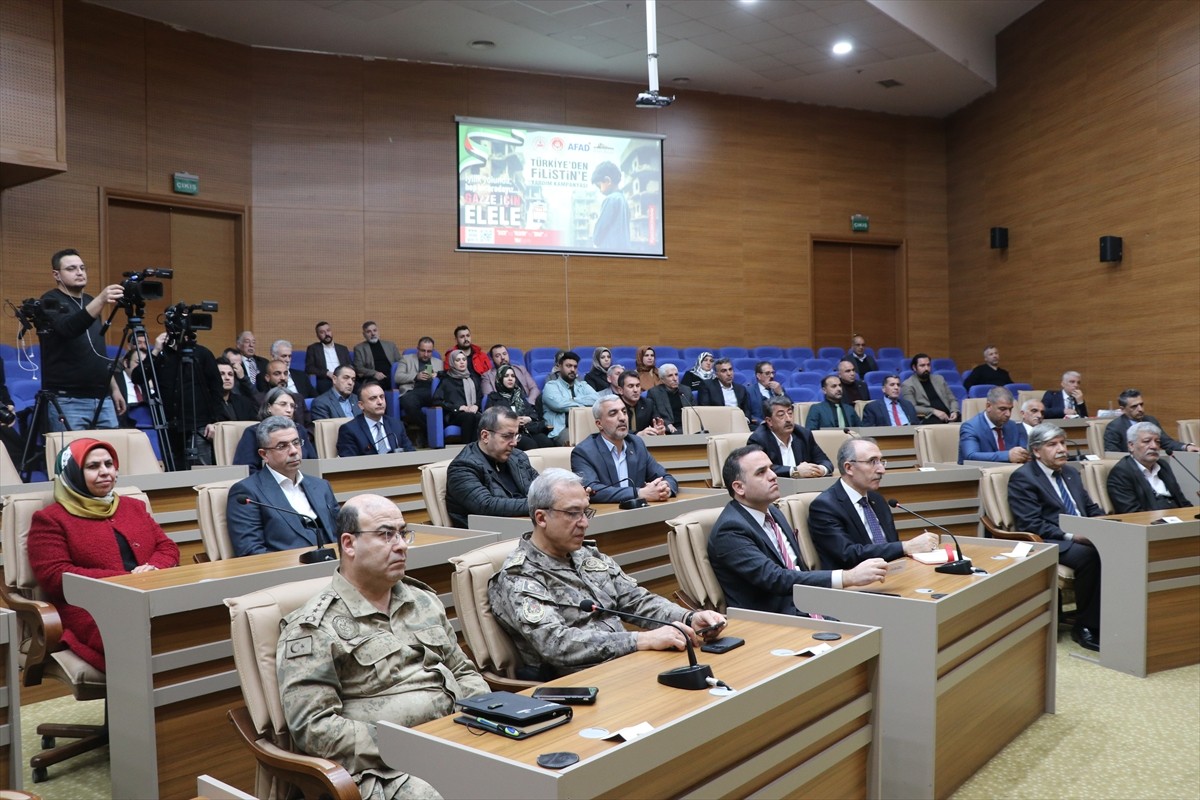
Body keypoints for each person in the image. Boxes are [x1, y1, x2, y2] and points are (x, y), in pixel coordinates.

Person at [278, 493, 488, 800]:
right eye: (386, 535)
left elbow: (463, 671)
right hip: (383, 769)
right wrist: (410, 746)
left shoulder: (423, 601)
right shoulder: (312, 627)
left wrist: (481, 719)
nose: (401, 545)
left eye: (402, 533)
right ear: (349, 544)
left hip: (458, 738)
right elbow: (314, 728)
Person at [488, 469, 724, 678]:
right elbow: (556, 644)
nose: (584, 523)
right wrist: (641, 640)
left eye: (585, 512)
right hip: (580, 685)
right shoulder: (520, 575)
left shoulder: (585, 554)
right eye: (572, 513)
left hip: (628, 667)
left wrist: (688, 618)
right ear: (541, 518)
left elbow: (635, 600)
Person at [28, 438, 180, 672]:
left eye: (109, 464)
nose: (105, 472)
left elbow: (168, 547)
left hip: (150, 592)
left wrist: (154, 568)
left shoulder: (133, 506)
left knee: (191, 625)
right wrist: (126, 579)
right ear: (72, 473)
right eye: (93, 467)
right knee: (136, 636)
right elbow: (55, 576)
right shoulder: (50, 519)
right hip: (90, 607)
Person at [708, 446, 887, 615]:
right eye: (761, 472)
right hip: (774, 620)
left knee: (885, 609)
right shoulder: (730, 530)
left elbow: (796, 569)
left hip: (808, 605)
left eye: (771, 468)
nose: (773, 476)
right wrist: (848, 577)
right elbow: (775, 578)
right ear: (739, 487)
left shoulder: (774, 512)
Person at [1008, 423, 1104, 651]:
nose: (1061, 448)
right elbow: (1032, 524)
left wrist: (1104, 523)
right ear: (1037, 451)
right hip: (1051, 541)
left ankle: (1114, 617)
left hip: (1085, 534)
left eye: (1062, 442)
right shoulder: (1023, 478)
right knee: (1092, 556)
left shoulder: (1070, 472)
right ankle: (1086, 626)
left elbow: (1089, 508)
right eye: (1052, 444)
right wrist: (1072, 535)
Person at [808, 438, 940, 570]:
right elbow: (847, 555)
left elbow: (890, 545)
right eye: (872, 462)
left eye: (881, 461)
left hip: (890, 573)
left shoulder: (877, 500)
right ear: (849, 468)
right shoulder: (824, 506)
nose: (881, 470)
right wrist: (905, 547)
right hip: (854, 583)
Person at [37, 249, 126, 431]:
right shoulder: (50, 300)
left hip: (102, 397)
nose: (79, 272)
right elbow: (69, 328)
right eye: (71, 268)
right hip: (68, 399)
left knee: (111, 455)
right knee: (72, 458)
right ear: (57, 274)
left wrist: (114, 388)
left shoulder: (90, 301)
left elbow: (97, 351)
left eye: (82, 268)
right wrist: (101, 300)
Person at [226, 416, 339, 556]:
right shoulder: (247, 493)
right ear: (264, 454)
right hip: (289, 571)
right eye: (282, 446)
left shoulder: (321, 486)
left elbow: (342, 533)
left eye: (296, 443)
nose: (293, 451)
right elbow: (250, 551)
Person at [138, 329, 224, 467]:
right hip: (169, 427)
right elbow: (138, 377)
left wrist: (215, 421)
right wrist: (154, 351)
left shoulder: (202, 354)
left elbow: (216, 389)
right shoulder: (162, 354)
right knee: (174, 473)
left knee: (201, 472)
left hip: (199, 425)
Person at [571, 396, 678, 503]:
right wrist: (639, 493)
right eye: (613, 413)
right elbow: (591, 490)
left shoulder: (636, 444)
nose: (622, 418)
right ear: (599, 424)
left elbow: (666, 477)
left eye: (624, 412)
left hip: (639, 514)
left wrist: (664, 489)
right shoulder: (583, 452)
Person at [445, 407, 539, 528]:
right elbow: (487, 506)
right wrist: (539, 504)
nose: (514, 443)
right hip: (490, 535)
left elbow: (542, 487)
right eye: (507, 436)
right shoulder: (462, 467)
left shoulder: (518, 456)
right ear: (485, 436)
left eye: (516, 436)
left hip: (525, 526)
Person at [1107, 422, 1189, 513]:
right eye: (1146, 441)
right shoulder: (1121, 472)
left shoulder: (1163, 466)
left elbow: (1182, 502)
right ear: (1131, 446)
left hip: (1178, 519)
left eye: (1157, 442)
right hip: (1151, 523)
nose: (1154, 446)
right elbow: (1131, 513)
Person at [233, 388, 318, 472]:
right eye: (283, 404)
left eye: (292, 406)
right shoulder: (253, 432)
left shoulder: (300, 430)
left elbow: (314, 463)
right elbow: (246, 469)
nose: (289, 410)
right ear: (269, 407)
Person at [749, 395, 832, 478]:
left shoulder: (803, 434)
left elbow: (825, 462)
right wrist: (795, 471)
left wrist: (819, 470)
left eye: (790, 413)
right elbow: (761, 469)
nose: (788, 419)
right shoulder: (758, 439)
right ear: (769, 421)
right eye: (781, 415)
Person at [1103, 389, 1197, 454]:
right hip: (1130, 469)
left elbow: (1166, 442)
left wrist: (1186, 447)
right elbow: (1112, 454)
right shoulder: (1114, 427)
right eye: (1134, 406)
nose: (1140, 409)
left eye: (1141, 404)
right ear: (1123, 409)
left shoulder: (1150, 420)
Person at [336, 382, 415, 457]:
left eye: (382, 397)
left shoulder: (396, 424)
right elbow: (349, 463)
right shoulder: (349, 430)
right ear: (361, 405)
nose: (380, 402)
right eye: (373, 398)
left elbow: (411, 454)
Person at [485, 364, 551, 448]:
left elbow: (533, 414)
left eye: (513, 376)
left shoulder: (519, 396)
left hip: (527, 429)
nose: (510, 379)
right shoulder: (493, 398)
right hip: (508, 434)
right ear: (500, 379)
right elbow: (490, 420)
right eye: (506, 376)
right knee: (530, 445)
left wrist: (528, 418)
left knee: (547, 442)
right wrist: (513, 421)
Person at [958, 386, 1030, 463]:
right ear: (988, 406)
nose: (1008, 414)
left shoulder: (1014, 426)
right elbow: (970, 456)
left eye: (1010, 409)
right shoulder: (971, 427)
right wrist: (1007, 456)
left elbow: (1025, 452)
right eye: (1002, 409)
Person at [541, 350, 599, 445]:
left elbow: (597, 400)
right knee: (580, 445)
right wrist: (584, 404)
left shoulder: (582, 385)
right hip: (562, 430)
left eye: (575, 367)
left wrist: (573, 400)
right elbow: (559, 405)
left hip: (585, 426)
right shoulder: (551, 386)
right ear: (560, 367)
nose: (572, 369)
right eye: (568, 366)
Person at [393, 336, 441, 448]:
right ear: (417, 349)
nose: (426, 354)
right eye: (423, 351)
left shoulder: (438, 362)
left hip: (431, 392)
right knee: (408, 402)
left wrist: (437, 377)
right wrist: (416, 376)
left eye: (429, 351)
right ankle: (429, 430)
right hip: (412, 391)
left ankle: (428, 433)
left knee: (443, 402)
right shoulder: (406, 359)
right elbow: (398, 377)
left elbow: (445, 381)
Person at [432, 349, 482, 444]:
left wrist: (476, 406)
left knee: (478, 417)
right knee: (469, 417)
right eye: (458, 360)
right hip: (454, 414)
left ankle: (476, 450)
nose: (462, 362)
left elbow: (480, 395)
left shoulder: (473, 378)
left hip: (472, 411)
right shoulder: (447, 381)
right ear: (452, 362)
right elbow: (436, 400)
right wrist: (458, 408)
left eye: (464, 359)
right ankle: (466, 448)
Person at [901, 353, 959, 424]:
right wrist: (933, 411)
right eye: (922, 365)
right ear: (914, 367)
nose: (926, 368)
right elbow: (912, 408)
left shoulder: (939, 379)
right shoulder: (907, 384)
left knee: (967, 423)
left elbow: (952, 399)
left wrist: (954, 411)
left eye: (928, 365)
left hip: (948, 415)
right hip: (929, 417)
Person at [697, 357, 756, 425]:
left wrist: (745, 420)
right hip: (718, 424)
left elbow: (747, 410)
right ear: (717, 375)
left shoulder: (741, 389)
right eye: (724, 371)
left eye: (730, 369)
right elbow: (705, 409)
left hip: (740, 423)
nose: (729, 374)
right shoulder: (707, 386)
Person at [303, 321, 352, 395]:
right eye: (322, 332)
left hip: (344, 378)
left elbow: (350, 365)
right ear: (318, 335)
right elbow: (309, 368)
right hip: (326, 379)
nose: (326, 334)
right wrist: (327, 373)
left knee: (358, 387)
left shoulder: (342, 349)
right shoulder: (313, 348)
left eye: (328, 331)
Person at [590, 161, 630, 251]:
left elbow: (598, 232)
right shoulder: (623, 200)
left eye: (599, 186)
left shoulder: (611, 199)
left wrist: (595, 239)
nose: (600, 190)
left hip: (610, 251)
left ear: (607, 181)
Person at [353, 321, 402, 390]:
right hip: (373, 378)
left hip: (392, 375)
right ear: (364, 335)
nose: (373, 333)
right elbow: (358, 368)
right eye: (368, 332)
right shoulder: (359, 348)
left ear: (378, 332)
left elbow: (399, 362)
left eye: (374, 330)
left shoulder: (390, 345)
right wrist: (374, 373)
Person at [646, 364, 693, 434]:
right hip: (668, 428)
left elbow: (694, 410)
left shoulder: (686, 390)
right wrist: (667, 424)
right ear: (662, 379)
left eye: (676, 375)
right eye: (670, 375)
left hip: (688, 426)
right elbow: (654, 414)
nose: (675, 379)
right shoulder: (654, 393)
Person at [616, 371, 665, 436]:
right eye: (631, 386)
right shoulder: (614, 405)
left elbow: (656, 423)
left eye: (638, 386)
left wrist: (658, 429)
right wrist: (637, 434)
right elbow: (614, 430)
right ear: (620, 390)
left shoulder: (648, 404)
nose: (635, 390)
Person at [210, 358, 258, 423]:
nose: (227, 378)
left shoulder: (244, 402)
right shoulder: (206, 403)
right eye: (222, 374)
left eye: (230, 374)